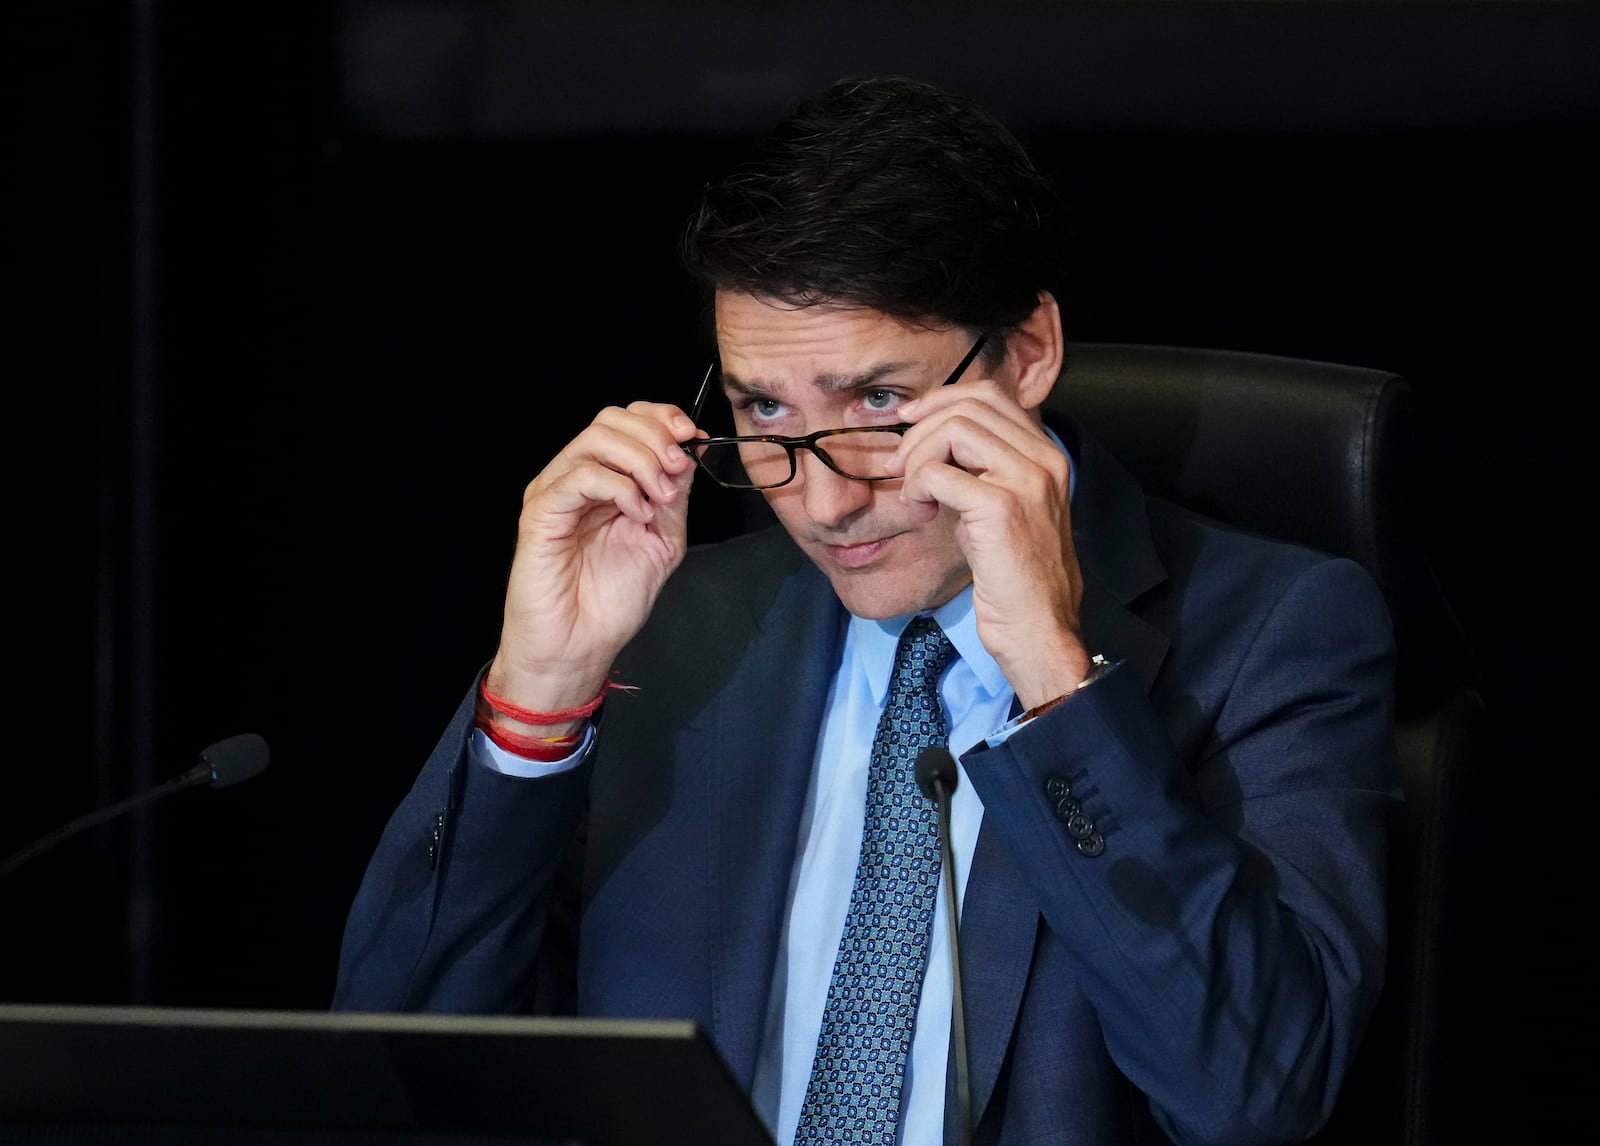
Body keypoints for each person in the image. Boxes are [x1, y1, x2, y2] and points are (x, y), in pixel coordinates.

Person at [333, 75, 1400, 1146]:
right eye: (764, 411)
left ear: (1027, 352)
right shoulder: (671, 625)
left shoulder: (1273, 631)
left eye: (878, 404)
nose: (827, 499)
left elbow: (1252, 1099)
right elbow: (394, 1072)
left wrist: (1055, 685)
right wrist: (538, 700)